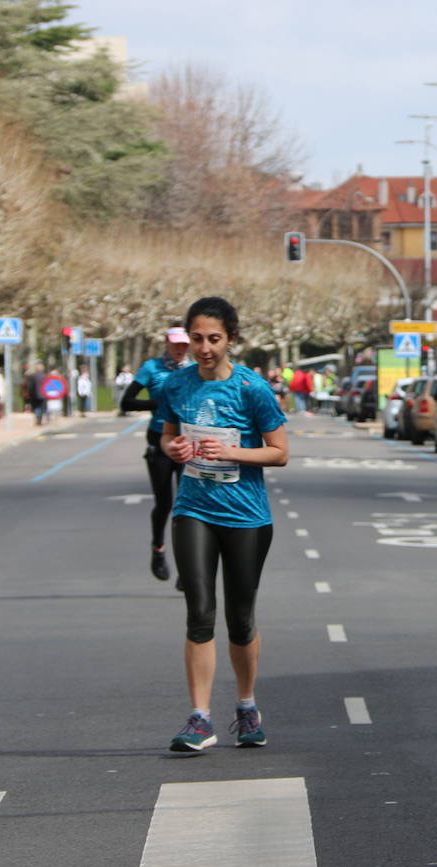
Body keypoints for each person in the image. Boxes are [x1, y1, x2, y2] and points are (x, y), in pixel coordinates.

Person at [156, 297, 288, 752]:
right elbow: (168, 434)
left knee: (240, 618)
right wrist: (172, 448)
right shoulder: (176, 385)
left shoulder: (252, 388)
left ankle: (247, 706)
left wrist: (231, 452)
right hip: (193, 509)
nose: (205, 348)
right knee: (199, 611)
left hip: (246, 516)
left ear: (230, 338)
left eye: (214, 339)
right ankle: (199, 718)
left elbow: (279, 451)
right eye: (197, 339)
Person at [121, 328, 192, 582]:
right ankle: (158, 550)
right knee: (165, 503)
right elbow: (127, 402)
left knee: (188, 507)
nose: (180, 349)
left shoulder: (195, 369)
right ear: (166, 343)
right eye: (176, 344)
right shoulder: (151, 368)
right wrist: (159, 405)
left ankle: (187, 565)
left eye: (184, 344)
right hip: (160, 439)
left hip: (189, 440)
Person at [25, 361, 48, 426]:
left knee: (37, 407)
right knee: (42, 407)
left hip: (35, 395)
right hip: (43, 395)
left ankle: (38, 419)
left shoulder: (33, 377)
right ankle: (40, 419)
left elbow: (31, 386)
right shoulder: (45, 376)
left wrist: (29, 393)